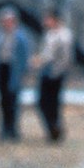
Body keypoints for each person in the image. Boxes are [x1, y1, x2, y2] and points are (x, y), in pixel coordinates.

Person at [0, 6, 32, 142]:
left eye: (9, 20)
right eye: (4, 20)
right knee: (2, 101)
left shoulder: (21, 37)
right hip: (2, 69)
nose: (6, 23)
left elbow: (25, 57)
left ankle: (13, 130)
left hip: (14, 71)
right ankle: (4, 129)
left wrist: (22, 74)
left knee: (13, 101)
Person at [35, 8, 73, 142]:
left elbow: (65, 57)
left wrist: (57, 72)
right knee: (42, 102)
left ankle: (55, 129)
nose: (45, 22)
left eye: (48, 19)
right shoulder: (49, 34)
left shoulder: (64, 35)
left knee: (53, 103)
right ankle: (52, 128)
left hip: (56, 73)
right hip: (46, 71)